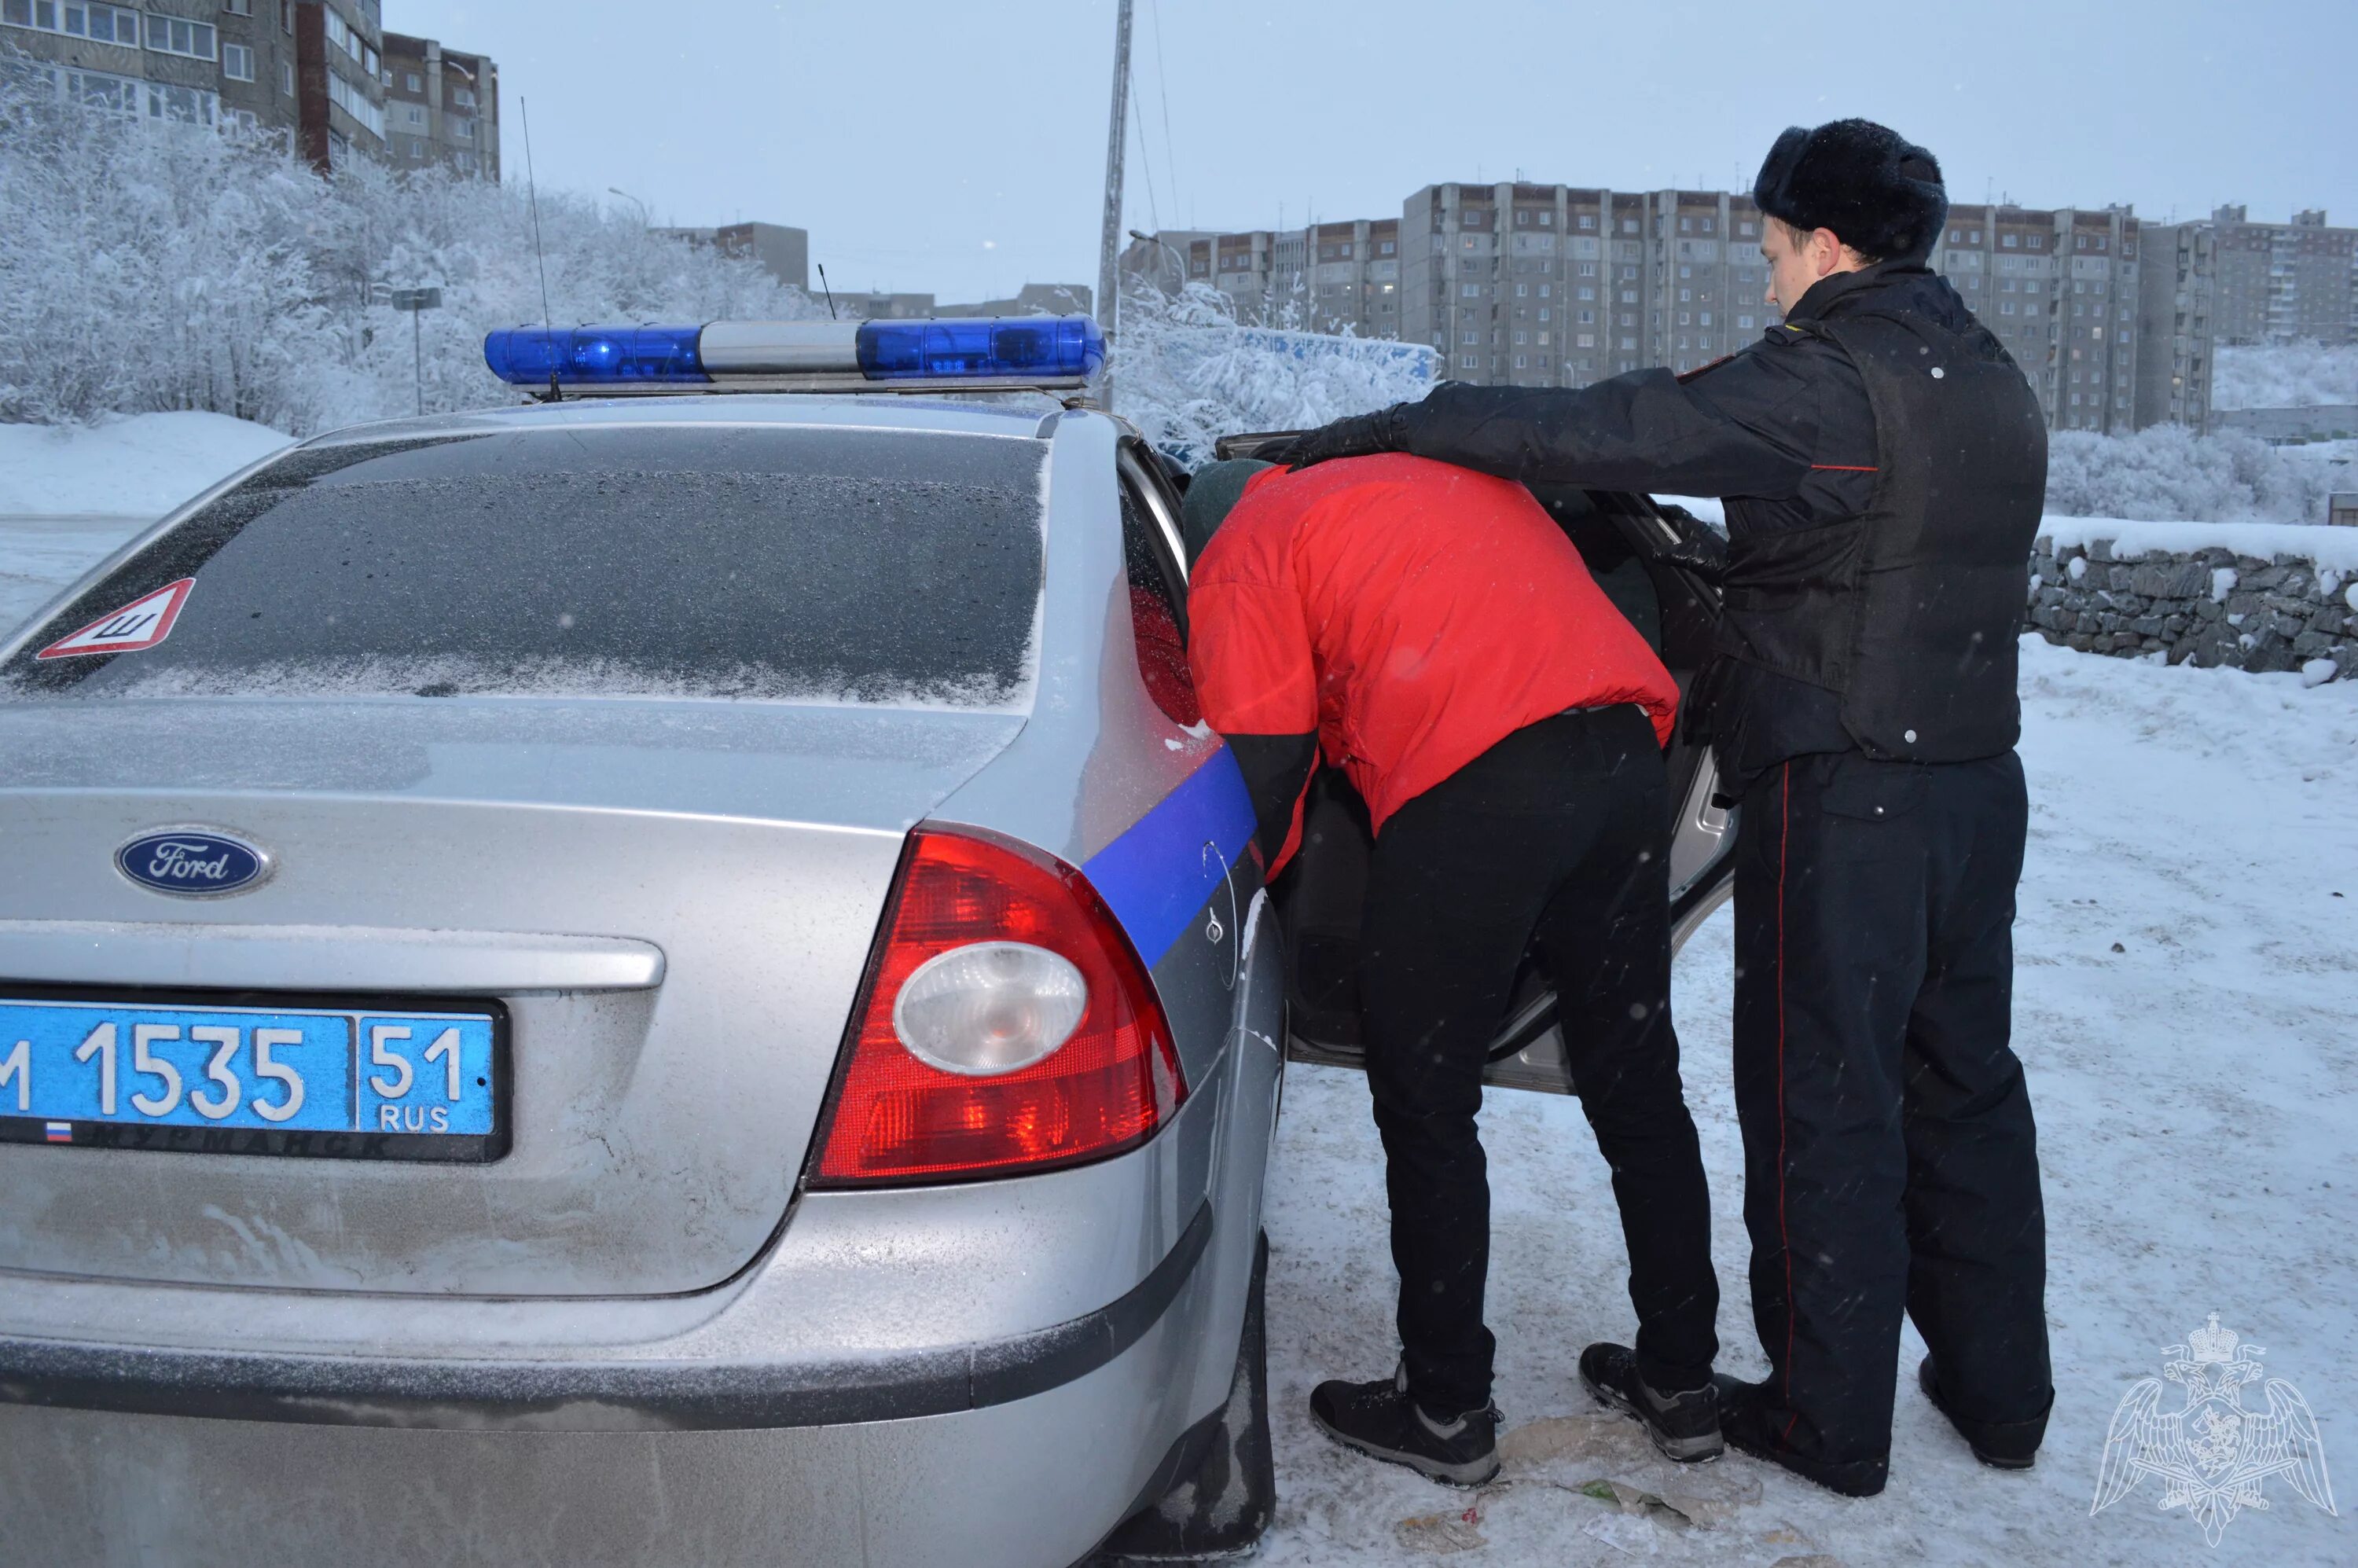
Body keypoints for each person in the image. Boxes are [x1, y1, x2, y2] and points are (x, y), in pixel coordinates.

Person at [1261, 119, 2053, 1498]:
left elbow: (1601, 427)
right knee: (1965, 1079)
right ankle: (1999, 1395)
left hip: (1850, 784)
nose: (1766, 285)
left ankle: (1826, 1420)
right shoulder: (1984, 375)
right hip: (1978, 782)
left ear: (1824, 243)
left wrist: (1408, 424)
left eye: (1771, 254)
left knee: (1825, 1101)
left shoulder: (1829, 379)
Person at [1181, 452, 1721, 1486]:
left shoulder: (1247, 547)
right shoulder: (1431, 473)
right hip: (1618, 765)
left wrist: (1229, 902)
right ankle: (1683, 1382)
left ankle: (1444, 1408)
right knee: (1636, 1082)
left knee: (1425, 1099)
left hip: (1476, 784)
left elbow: (1261, 760)